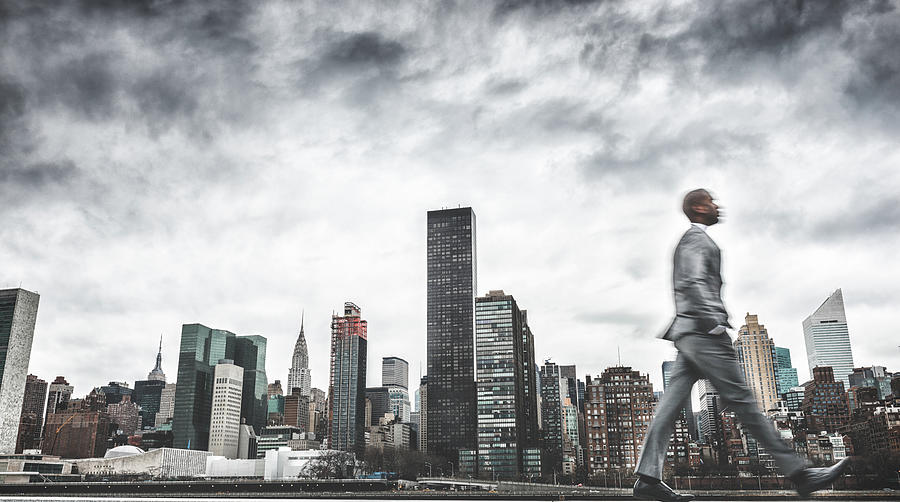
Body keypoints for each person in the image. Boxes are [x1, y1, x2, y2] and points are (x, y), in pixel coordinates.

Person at [632, 189, 849, 501]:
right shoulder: (696, 239)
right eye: (710, 201)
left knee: (669, 407)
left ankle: (647, 479)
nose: (716, 205)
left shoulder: (692, 240)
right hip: (704, 334)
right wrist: (714, 322)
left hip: (689, 334)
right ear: (697, 207)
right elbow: (692, 282)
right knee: (744, 402)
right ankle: (801, 474)